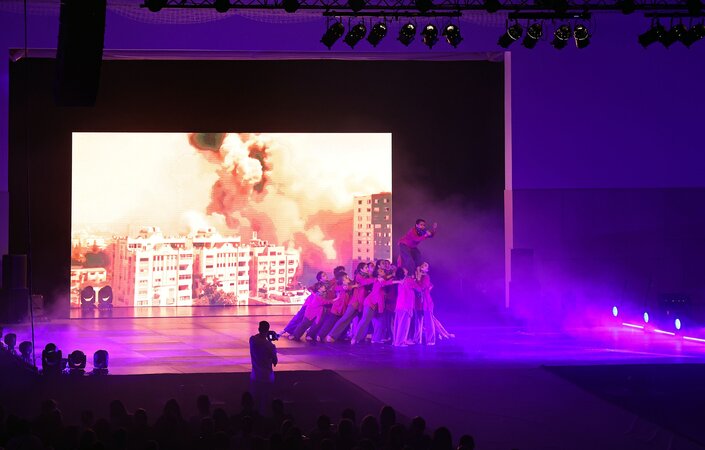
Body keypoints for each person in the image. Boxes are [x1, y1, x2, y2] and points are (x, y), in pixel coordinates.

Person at [249, 320, 278, 413]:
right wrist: (270, 341)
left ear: (259, 329)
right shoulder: (270, 346)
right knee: (265, 403)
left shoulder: (252, 340)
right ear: (267, 330)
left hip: (255, 376)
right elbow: (275, 362)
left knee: (254, 402)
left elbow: (257, 338)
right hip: (267, 377)